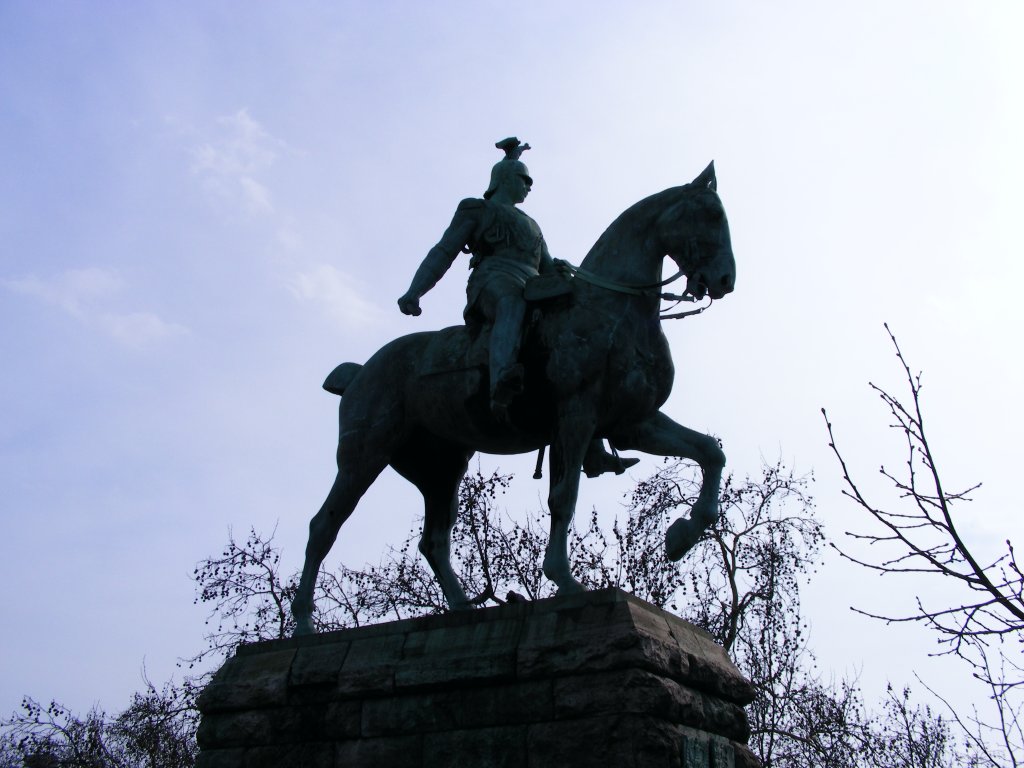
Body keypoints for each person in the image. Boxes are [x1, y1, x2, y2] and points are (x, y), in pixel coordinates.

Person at [397, 138, 637, 478]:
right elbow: (443, 251)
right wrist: (415, 291)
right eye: (525, 179)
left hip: (532, 288)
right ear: (505, 179)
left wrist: (570, 278)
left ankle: (593, 447)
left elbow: (548, 265)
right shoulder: (475, 209)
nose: (529, 186)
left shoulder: (533, 225)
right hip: (493, 281)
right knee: (510, 304)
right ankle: (501, 379)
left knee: (573, 338)